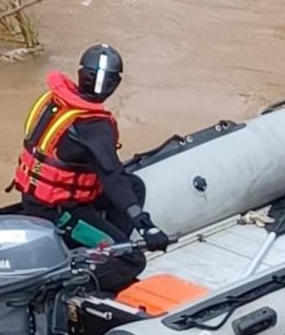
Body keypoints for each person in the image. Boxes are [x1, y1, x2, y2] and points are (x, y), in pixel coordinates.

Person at [11, 43, 169, 291]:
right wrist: (146, 226)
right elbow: (112, 176)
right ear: (114, 84)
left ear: (80, 74)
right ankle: (71, 283)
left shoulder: (56, 100)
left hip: (37, 197)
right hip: (57, 214)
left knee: (135, 186)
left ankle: (106, 251)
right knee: (132, 259)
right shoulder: (94, 126)